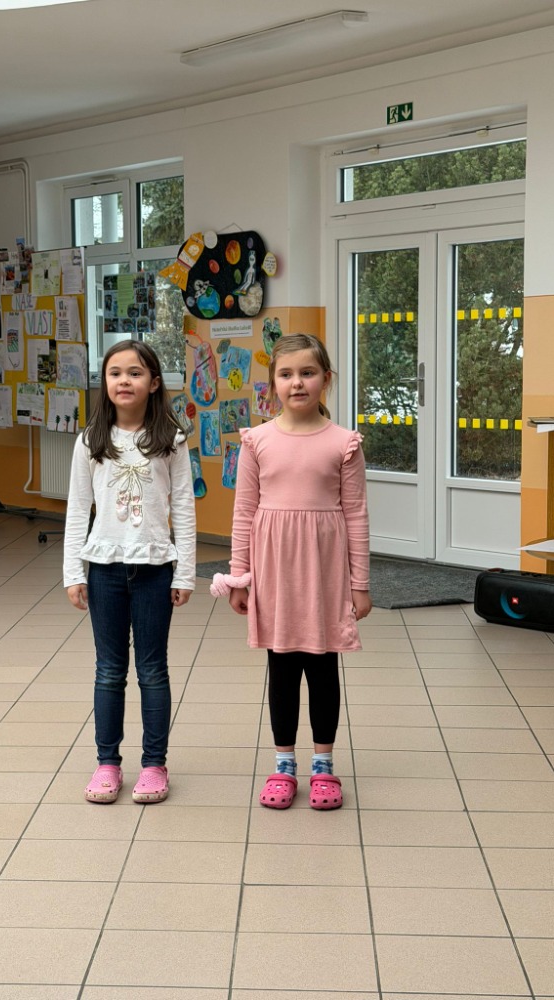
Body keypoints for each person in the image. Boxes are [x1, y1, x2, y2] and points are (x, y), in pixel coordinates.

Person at [211, 333, 371, 811]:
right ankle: (284, 764)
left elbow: (356, 515)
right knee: (281, 669)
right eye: (286, 374)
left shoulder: (344, 443)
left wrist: (360, 584)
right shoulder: (257, 441)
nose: (297, 382)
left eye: (307, 372)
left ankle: (323, 765)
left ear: (326, 379)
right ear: (273, 383)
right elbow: (244, 512)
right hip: (274, 574)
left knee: (323, 668)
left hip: (324, 575)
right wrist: (239, 576)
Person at [63, 340, 196, 805]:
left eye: (135, 373)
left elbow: (184, 507)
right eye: (115, 372)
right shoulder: (90, 441)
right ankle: (108, 763)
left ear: (154, 383)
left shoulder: (171, 440)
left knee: (152, 670)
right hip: (104, 570)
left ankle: (154, 765)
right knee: (108, 670)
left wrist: (185, 573)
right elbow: (78, 509)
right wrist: (73, 572)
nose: (124, 380)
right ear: (105, 382)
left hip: (155, 570)